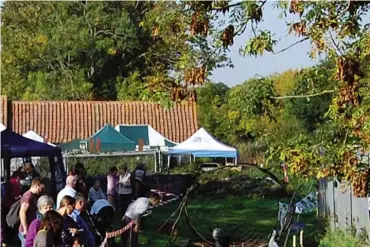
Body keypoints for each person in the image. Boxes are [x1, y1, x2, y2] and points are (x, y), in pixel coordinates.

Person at [19, 178, 45, 247]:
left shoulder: (33, 196)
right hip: (26, 230)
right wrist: (25, 229)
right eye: (41, 188)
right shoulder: (28, 196)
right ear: (37, 186)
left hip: (30, 228)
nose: (42, 191)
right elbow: (22, 212)